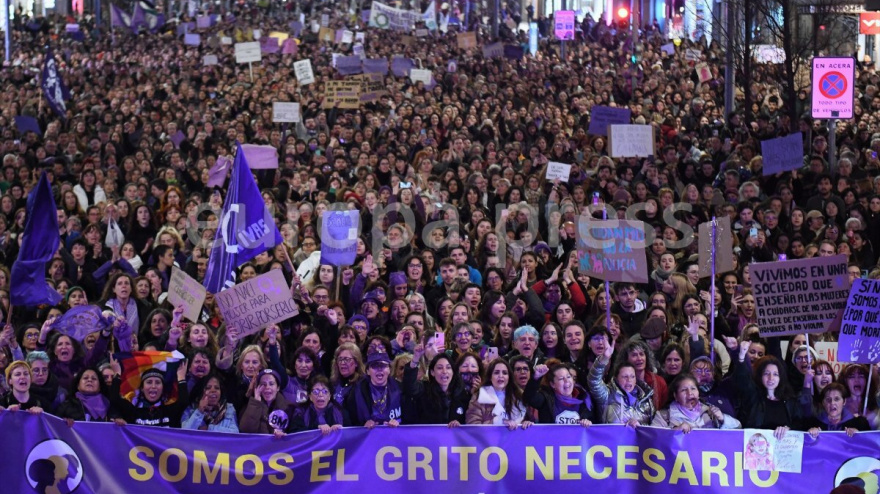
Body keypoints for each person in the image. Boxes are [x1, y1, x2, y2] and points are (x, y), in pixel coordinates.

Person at [588, 338, 656, 427]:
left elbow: (653, 430)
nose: (629, 380)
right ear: (616, 378)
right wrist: (604, 358)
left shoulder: (646, 400)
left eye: (632, 376)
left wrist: (640, 425)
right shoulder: (607, 395)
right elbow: (593, 380)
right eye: (625, 377)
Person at [109, 358, 189, 427]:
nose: (153, 386)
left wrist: (181, 377)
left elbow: (183, 401)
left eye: (157, 382)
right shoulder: (133, 411)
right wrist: (117, 374)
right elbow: (114, 398)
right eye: (149, 382)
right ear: (142, 388)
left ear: (162, 388)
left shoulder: (170, 411)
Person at [403, 345, 470, 426]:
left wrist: (459, 424)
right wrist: (416, 358)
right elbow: (410, 387)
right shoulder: (424, 389)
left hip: (453, 437)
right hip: (429, 437)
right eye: (439, 368)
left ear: (453, 372)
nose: (444, 371)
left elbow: (468, 422)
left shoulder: (460, 393)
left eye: (448, 368)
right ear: (432, 372)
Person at [652, 374, 741, 432]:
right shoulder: (664, 415)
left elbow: (738, 428)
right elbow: (652, 437)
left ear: (698, 393)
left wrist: (722, 418)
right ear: (675, 396)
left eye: (693, 389)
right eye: (684, 390)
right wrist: (675, 431)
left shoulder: (709, 412)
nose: (689, 393)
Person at [467, 358, 532, 429]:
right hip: (488, 439)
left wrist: (526, 423)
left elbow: (527, 420)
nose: (501, 376)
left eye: (504, 373)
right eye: (496, 372)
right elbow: (472, 426)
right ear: (490, 377)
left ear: (509, 377)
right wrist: (498, 422)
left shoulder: (519, 395)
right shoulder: (479, 396)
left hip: (515, 439)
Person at [523, 362, 594, 425]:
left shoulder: (584, 399)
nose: (566, 381)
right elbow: (528, 398)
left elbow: (593, 424)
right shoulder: (546, 398)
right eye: (561, 379)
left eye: (568, 377)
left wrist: (587, 422)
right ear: (553, 384)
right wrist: (536, 378)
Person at [344, 351, 403, 427]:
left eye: (383, 366)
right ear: (368, 371)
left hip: (393, 435)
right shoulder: (355, 392)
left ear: (389, 370)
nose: (379, 369)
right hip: (367, 437)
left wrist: (398, 422)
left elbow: (409, 418)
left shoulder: (400, 388)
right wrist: (363, 425)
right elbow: (349, 422)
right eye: (375, 366)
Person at [239, 369, 296, 436]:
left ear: (278, 388)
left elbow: (296, 435)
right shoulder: (250, 406)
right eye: (263, 384)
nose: (267, 387)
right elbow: (245, 431)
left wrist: (284, 436)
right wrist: (256, 403)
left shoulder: (289, 408)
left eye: (271, 384)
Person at [56, 367, 120, 424]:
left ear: (100, 386)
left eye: (94, 378)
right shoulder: (66, 406)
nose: (89, 380)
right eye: (85, 378)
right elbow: (53, 426)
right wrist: (62, 423)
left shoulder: (109, 407)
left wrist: (119, 423)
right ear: (78, 385)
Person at [806, 382, 870, 438]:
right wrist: (808, 435)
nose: (832, 403)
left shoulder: (859, 424)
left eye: (836, 399)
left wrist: (859, 435)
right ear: (823, 403)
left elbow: (871, 446)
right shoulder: (812, 423)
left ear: (844, 402)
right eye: (828, 400)